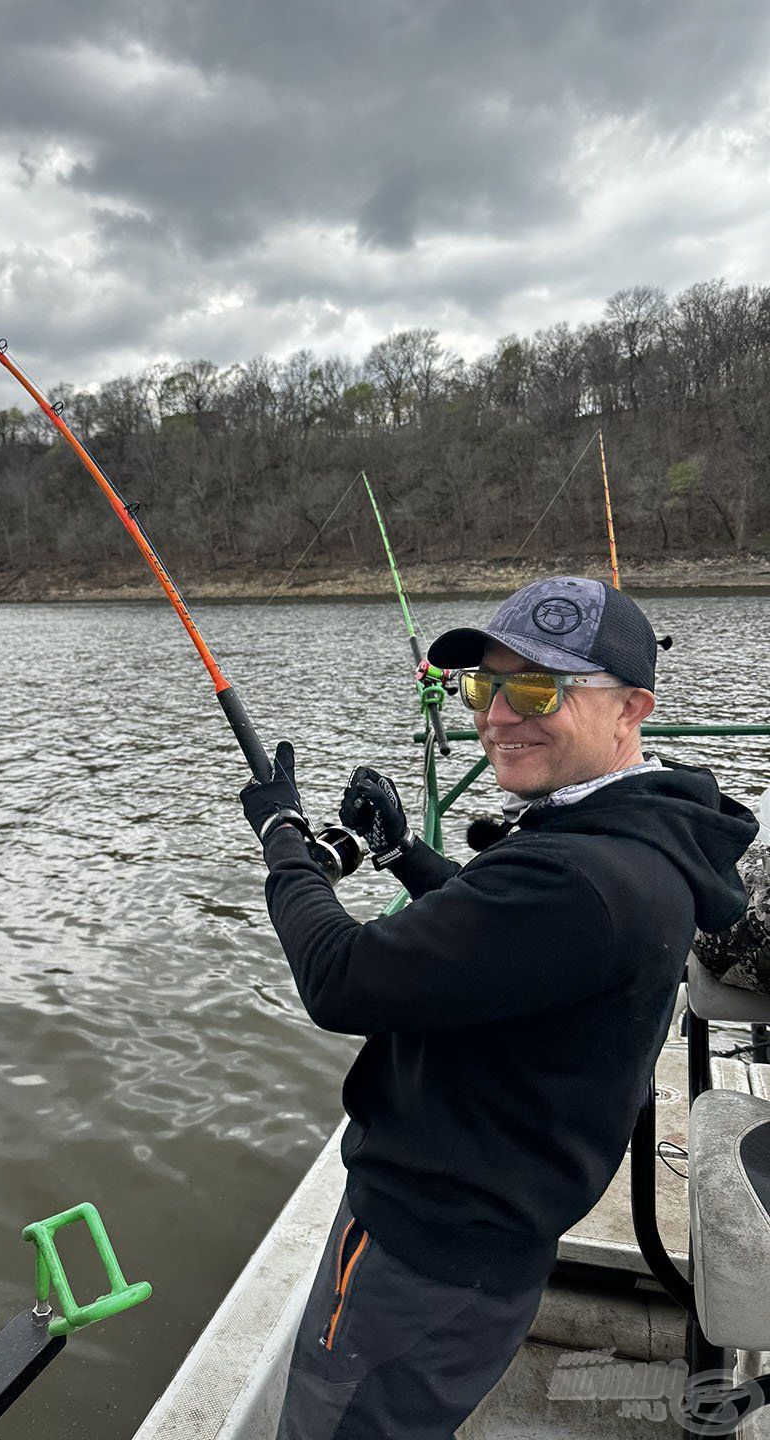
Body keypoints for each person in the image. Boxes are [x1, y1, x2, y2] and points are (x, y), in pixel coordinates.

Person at [240, 576, 757, 1440]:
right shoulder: (642, 836)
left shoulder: (578, 877)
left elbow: (341, 977)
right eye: (486, 685)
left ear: (632, 707)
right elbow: (509, 941)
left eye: (537, 688)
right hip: (493, 1250)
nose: (498, 716)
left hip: (421, 1260)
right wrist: (405, 854)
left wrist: (284, 842)